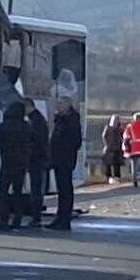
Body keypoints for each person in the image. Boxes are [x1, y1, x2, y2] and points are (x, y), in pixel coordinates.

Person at [0, 101, 32, 230]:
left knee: (2, 191)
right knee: (18, 192)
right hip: (21, 163)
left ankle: (4, 219)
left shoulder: (5, 125)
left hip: (7, 161)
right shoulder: (26, 126)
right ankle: (17, 218)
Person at [49, 96, 83, 230]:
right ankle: (60, 217)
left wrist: (63, 152)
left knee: (65, 190)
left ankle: (64, 219)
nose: (58, 106)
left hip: (65, 160)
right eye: (57, 103)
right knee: (61, 190)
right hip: (59, 159)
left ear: (68, 105)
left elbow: (75, 141)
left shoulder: (71, 120)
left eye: (60, 103)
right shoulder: (61, 119)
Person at [24, 98, 50, 228]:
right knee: (36, 188)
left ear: (30, 107)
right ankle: (35, 216)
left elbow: (37, 141)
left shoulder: (36, 121)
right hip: (39, 159)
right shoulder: (37, 119)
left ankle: (36, 217)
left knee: (36, 189)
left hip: (37, 159)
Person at [102, 114, 124, 184]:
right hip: (109, 148)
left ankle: (117, 177)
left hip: (117, 148)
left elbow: (122, 137)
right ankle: (108, 176)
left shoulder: (120, 128)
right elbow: (104, 137)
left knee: (116, 164)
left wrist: (120, 143)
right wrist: (107, 144)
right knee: (108, 163)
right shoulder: (108, 128)